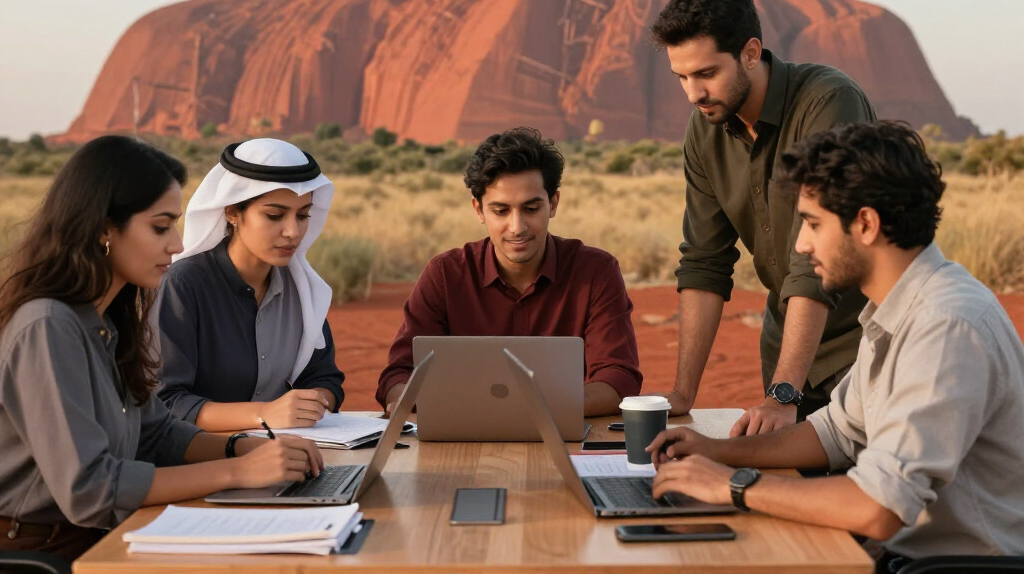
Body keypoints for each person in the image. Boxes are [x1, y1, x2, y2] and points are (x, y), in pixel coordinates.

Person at [647, 121, 1024, 568]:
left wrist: (732, 485)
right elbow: (837, 432)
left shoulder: (945, 325)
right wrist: (714, 452)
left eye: (811, 223)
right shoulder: (899, 307)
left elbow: (878, 508)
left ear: (865, 223)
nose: (802, 245)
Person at [0, 136, 323, 563]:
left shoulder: (108, 319)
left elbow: (158, 432)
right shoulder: (48, 325)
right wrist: (236, 472)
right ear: (103, 229)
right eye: (160, 226)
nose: (175, 243)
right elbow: (91, 490)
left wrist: (243, 448)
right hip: (45, 552)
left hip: (109, 531)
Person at [649, 0, 876, 435]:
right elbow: (705, 261)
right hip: (787, 355)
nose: (694, 94)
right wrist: (681, 395)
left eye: (707, 73)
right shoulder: (704, 129)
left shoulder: (829, 102)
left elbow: (815, 260)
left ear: (750, 53)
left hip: (863, 351)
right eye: (682, 78)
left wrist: (781, 396)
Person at [376, 127, 642, 416]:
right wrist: (404, 399)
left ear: (553, 204)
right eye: (500, 211)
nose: (517, 227)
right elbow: (399, 373)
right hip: (463, 441)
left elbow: (618, 378)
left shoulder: (596, 272)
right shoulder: (445, 274)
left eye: (531, 208)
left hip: (563, 440)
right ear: (478, 210)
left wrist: (516, 410)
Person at [155, 138, 345, 431]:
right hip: (201, 463)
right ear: (232, 212)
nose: (293, 231)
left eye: (303, 215)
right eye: (274, 215)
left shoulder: (301, 287)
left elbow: (324, 378)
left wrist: (312, 402)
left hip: (289, 455)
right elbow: (166, 402)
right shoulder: (184, 285)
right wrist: (264, 414)